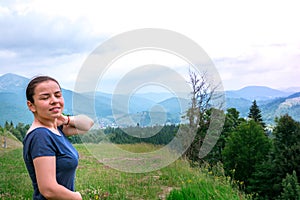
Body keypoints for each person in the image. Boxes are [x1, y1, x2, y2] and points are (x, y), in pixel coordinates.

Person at [23, 76, 94, 200]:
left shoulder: (56, 129)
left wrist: (66, 119)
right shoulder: (41, 136)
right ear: (31, 105)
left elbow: (88, 124)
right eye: (45, 97)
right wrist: (77, 197)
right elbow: (49, 190)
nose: (54, 100)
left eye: (57, 95)